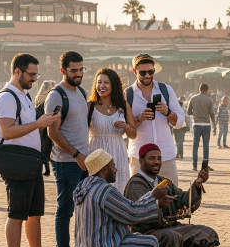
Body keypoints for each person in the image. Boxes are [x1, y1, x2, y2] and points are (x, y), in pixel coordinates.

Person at [0, 53, 64, 247]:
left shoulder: (23, 95)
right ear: (17, 72)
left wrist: (43, 122)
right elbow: (7, 131)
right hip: (17, 162)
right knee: (16, 214)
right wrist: (38, 123)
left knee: (34, 213)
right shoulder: (7, 97)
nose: (35, 78)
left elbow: (26, 128)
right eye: (31, 74)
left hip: (31, 162)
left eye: (37, 74)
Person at [74, 149, 173, 247]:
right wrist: (153, 196)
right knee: (150, 243)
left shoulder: (84, 187)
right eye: (112, 166)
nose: (116, 169)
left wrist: (154, 200)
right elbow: (132, 214)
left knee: (137, 236)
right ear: (103, 169)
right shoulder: (104, 191)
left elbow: (130, 208)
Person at [124, 144, 219, 247]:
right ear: (141, 161)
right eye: (152, 158)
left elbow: (185, 202)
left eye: (159, 158)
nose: (156, 162)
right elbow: (138, 214)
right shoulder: (136, 184)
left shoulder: (164, 181)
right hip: (146, 234)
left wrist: (197, 183)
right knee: (171, 237)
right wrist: (157, 204)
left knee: (207, 233)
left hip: (169, 228)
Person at [45, 51, 91, 247]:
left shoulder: (81, 91)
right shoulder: (56, 95)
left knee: (83, 208)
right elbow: (52, 133)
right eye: (74, 70)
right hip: (66, 161)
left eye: (81, 69)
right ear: (63, 71)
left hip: (84, 161)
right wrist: (76, 155)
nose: (79, 73)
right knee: (65, 209)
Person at [126, 54, 185, 186]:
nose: (147, 75)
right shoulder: (128, 94)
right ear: (134, 71)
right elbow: (125, 128)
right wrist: (139, 118)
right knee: (139, 199)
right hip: (139, 157)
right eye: (142, 72)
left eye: (151, 71)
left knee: (170, 198)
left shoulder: (166, 90)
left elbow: (180, 121)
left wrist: (168, 112)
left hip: (165, 155)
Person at [88, 68, 137, 194]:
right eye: (99, 82)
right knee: (97, 192)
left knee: (119, 189)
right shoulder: (90, 106)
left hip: (118, 153)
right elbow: (82, 131)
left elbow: (133, 134)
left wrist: (125, 126)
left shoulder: (123, 106)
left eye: (106, 82)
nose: (102, 86)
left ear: (113, 85)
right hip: (96, 152)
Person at [187, 83, 215, 172]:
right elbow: (212, 114)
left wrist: (195, 114)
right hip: (206, 125)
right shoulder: (209, 100)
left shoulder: (193, 98)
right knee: (205, 146)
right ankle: (205, 166)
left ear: (199, 89)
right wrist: (214, 125)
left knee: (195, 146)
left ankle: (194, 165)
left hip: (196, 124)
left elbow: (188, 112)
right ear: (207, 90)